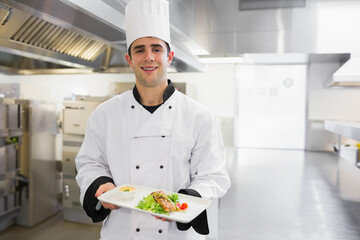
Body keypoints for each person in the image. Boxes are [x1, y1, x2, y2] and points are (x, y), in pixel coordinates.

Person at [75, 0, 231, 239]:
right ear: (129, 59)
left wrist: (184, 201)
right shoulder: (105, 114)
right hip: (122, 231)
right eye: (140, 50)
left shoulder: (199, 116)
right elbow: (90, 164)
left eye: (156, 49)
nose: (149, 57)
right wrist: (99, 185)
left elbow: (213, 176)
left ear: (169, 56)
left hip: (174, 234)